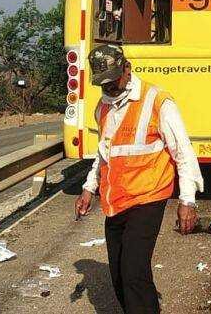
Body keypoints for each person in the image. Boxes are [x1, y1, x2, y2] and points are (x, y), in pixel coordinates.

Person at [74, 44, 203, 314]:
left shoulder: (158, 101)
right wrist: (89, 187)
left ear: (127, 69)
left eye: (112, 80)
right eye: (103, 84)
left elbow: (183, 152)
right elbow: (104, 152)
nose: (108, 88)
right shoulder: (103, 107)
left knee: (134, 272)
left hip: (148, 196)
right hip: (116, 200)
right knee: (119, 277)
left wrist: (187, 201)